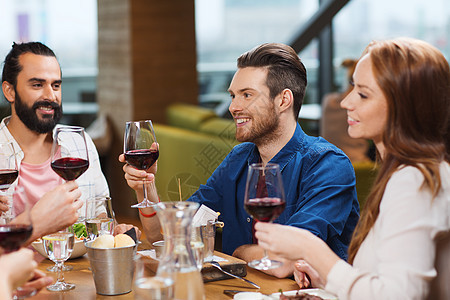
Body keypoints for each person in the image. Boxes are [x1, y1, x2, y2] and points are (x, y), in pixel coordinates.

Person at [120, 43, 359, 278]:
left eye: (247, 95)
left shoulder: (327, 165)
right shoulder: (239, 158)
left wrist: (237, 251)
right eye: (233, 96)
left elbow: (283, 262)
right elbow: (165, 236)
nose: (234, 107)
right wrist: (145, 186)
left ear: (284, 100)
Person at [254, 38, 450, 299]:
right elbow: (383, 280)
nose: (346, 102)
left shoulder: (415, 180)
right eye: (352, 87)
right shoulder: (417, 172)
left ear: (404, 106)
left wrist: (311, 249)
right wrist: (326, 273)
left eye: (363, 93)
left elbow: (400, 295)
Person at [0, 41, 138, 243]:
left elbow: (101, 214)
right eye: (37, 85)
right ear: (10, 91)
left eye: (56, 85)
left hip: (76, 273)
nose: (50, 95)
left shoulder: (79, 144)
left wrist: (113, 231)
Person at [320, 59, 372, 163]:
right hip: (357, 165)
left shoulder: (328, 100)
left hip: (325, 161)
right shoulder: (361, 104)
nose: (346, 104)